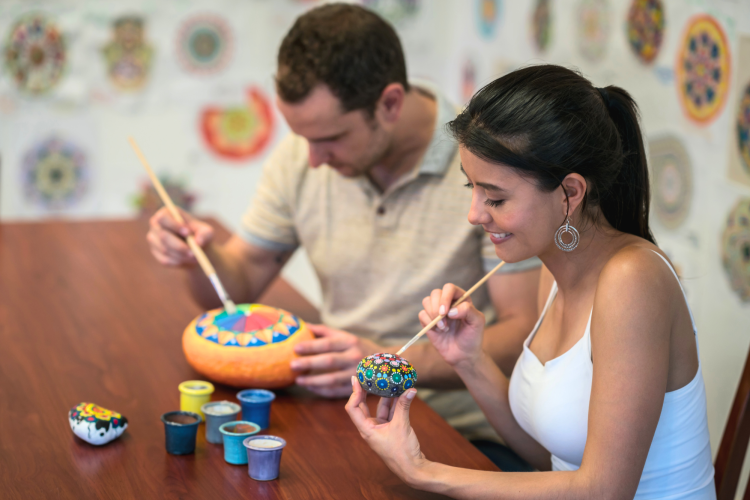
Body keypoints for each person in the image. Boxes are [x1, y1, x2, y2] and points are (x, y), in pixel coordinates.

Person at [147, 3, 540, 470]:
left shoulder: (486, 170)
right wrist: (198, 253)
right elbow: (235, 291)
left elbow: (524, 335)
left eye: (329, 138)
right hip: (342, 410)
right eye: (302, 138)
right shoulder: (303, 155)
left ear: (390, 103)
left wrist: (384, 364)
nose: (313, 160)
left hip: (462, 431)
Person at [346, 64, 716, 499]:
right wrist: (469, 360)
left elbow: (603, 490)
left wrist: (423, 472)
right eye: (472, 188)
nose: (475, 214)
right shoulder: (553, 270)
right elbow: (552, 461)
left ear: (570, 194)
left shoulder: (633, 280)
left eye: (496, 198)